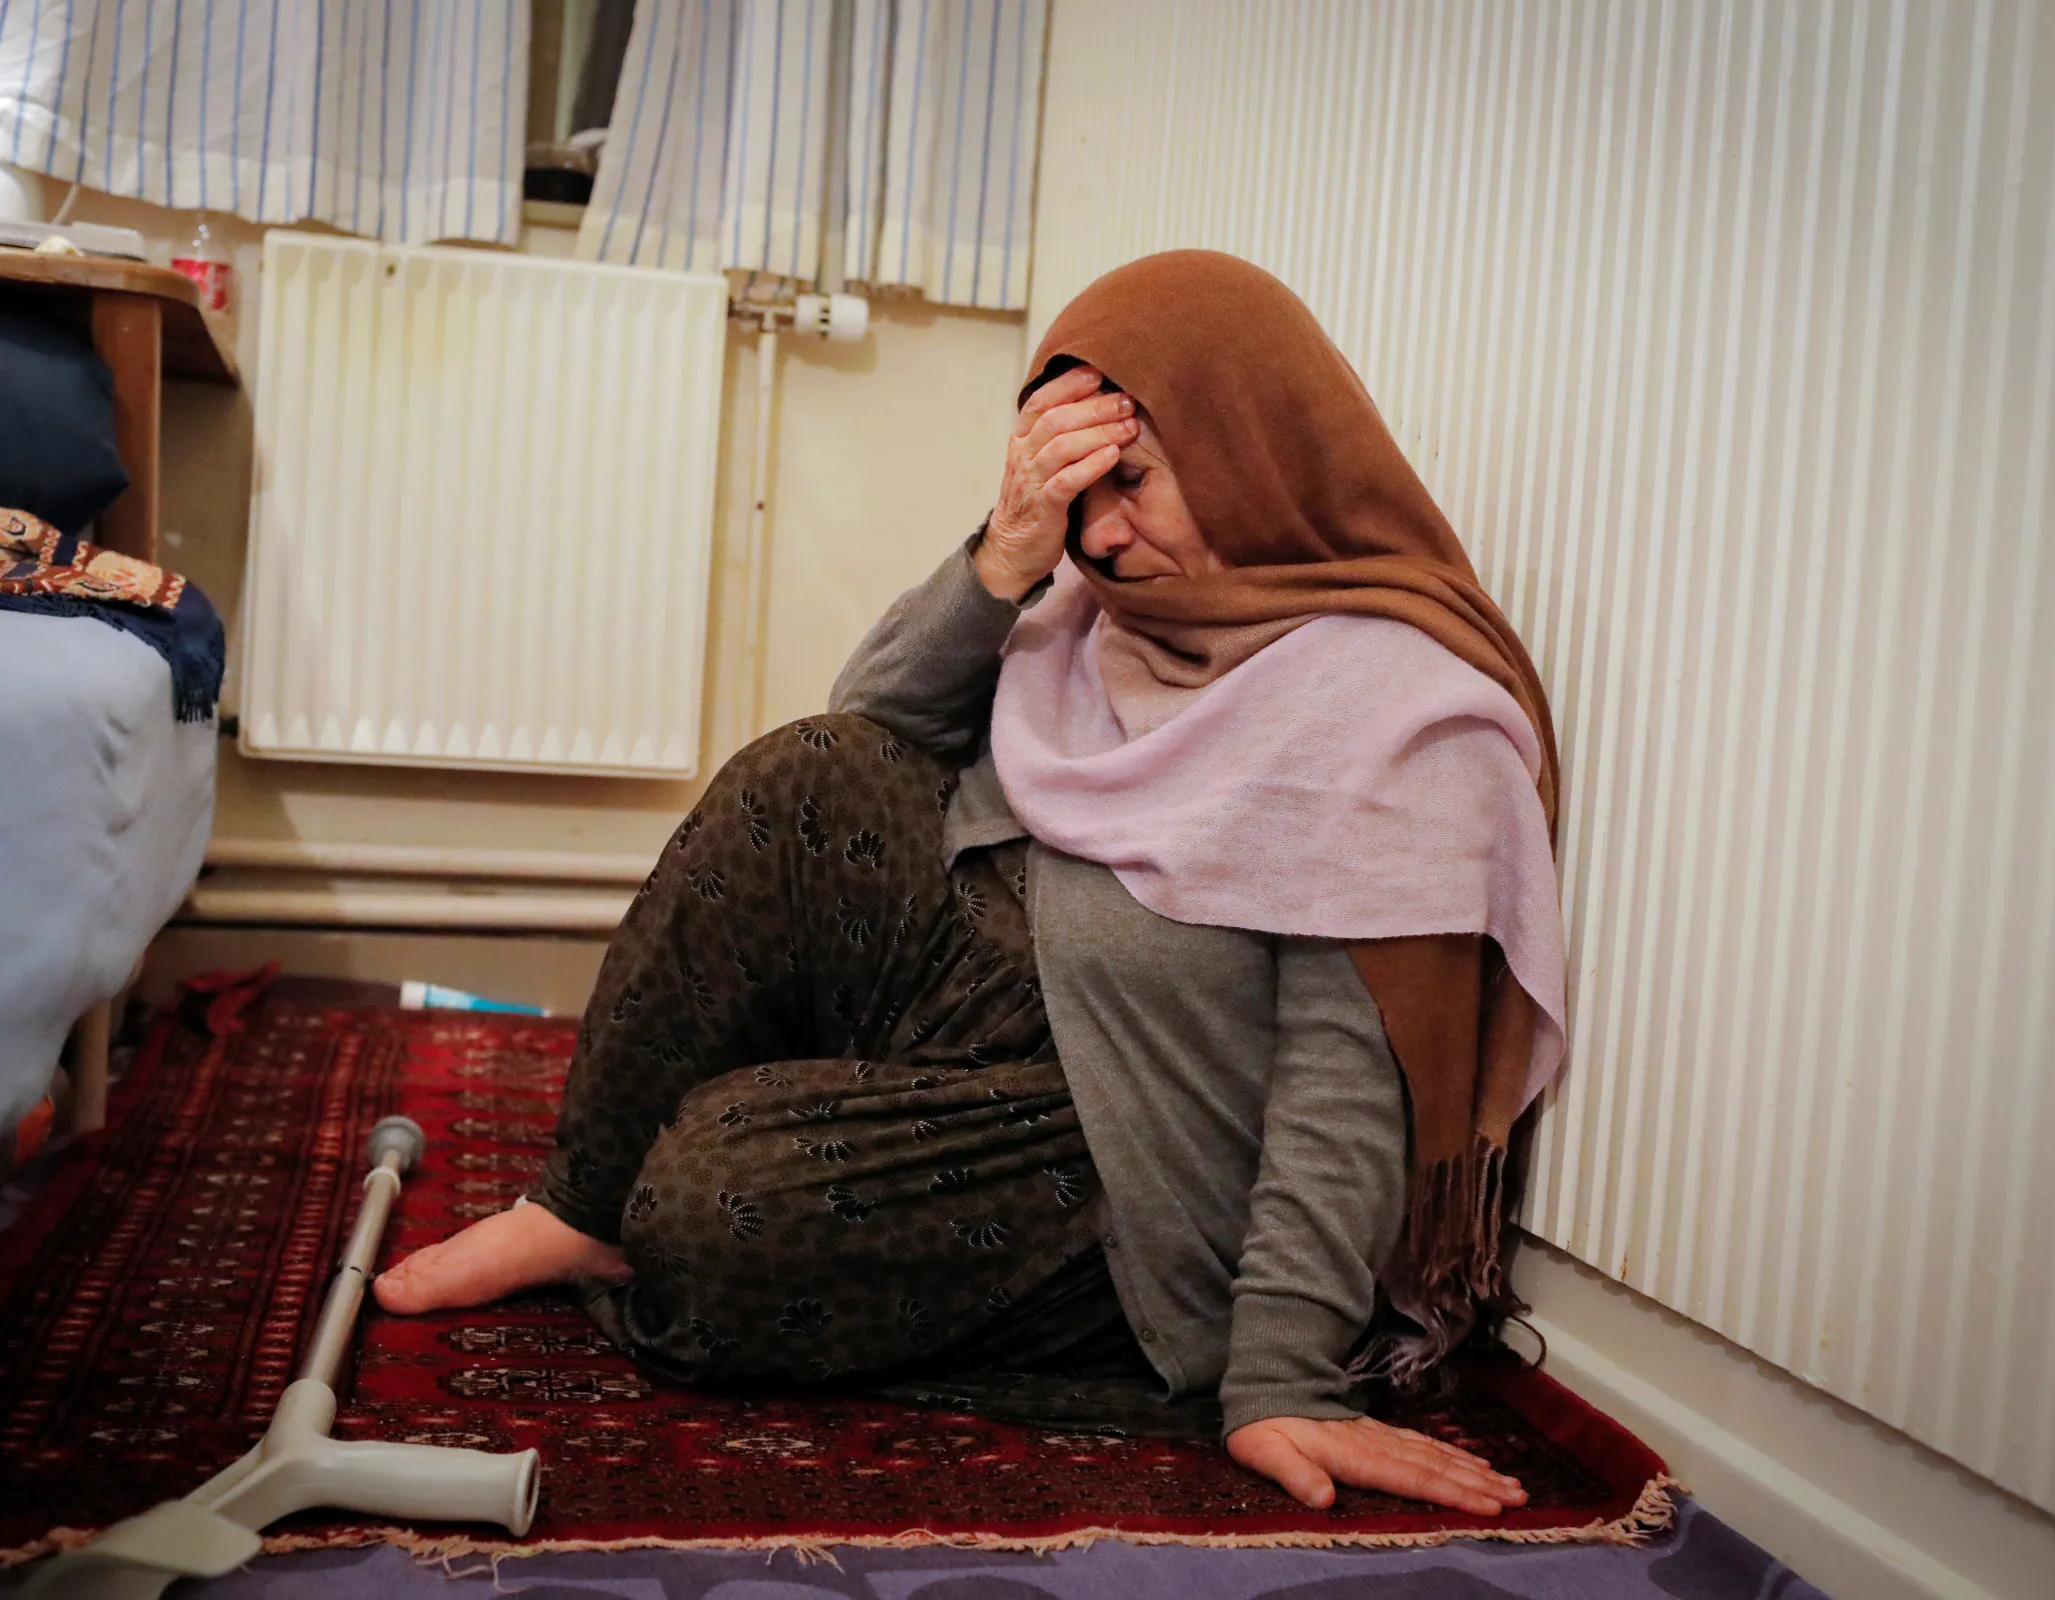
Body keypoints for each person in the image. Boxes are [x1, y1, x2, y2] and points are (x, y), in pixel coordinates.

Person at [377, 251, 1566, 1516]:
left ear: (1249, 449)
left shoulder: (1399, 717)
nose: (1100, 536)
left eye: (1134, 483)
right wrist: (1007, 551)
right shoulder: (1096, 612)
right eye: (1078, 494)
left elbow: (1348, 1086)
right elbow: (872, 723)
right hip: (1001, 1001)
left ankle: (645, 1205)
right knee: (809, 774)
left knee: (709, 1216)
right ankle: (576, 1203)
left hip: (1126, 1148)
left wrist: (1280, 1375)